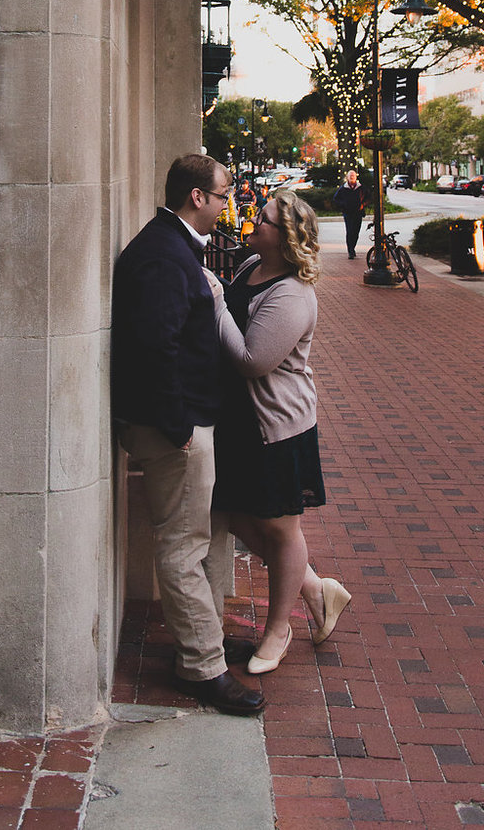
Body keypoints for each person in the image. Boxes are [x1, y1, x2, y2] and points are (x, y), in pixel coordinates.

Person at [111, 154, 265, 716]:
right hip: (175, 429)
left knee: (200, 538)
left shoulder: (171, 248)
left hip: (188, 422)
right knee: (182, 546)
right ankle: (202, 668)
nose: (228, 203)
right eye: (223, 194)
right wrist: (177, 425)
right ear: (197, 197)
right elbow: (157, 349)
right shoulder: (161, 256)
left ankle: (207, 644)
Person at [209, 189, 351, 673]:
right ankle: (315, 588)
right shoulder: (253, 267)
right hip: (238, 420)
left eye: (263, 219)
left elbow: (253, 361)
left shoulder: (291, 293)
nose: (254, 221)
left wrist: (214, 301)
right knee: (233, 514)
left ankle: (279, 630)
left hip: (275, 424)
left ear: (283, 237)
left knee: (280, 526)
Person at [333, 168, 367, 259]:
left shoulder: (361, 188)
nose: (352, 177)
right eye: (350, 176)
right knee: (350, 231)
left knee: (356, 232)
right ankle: (350, 251)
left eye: (353, 176)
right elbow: (336, 199)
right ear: (347, 177)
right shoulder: (343, 189)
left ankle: (353, 248)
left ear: (356, 177)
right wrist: (343, 205)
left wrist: (363, 205)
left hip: (358, 213)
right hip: (348, 213)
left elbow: (368, 197)